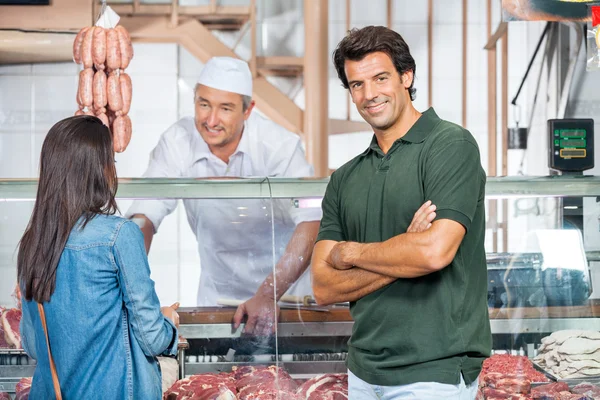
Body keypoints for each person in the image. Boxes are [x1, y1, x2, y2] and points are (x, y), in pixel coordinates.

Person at [311, 26, 492, 399]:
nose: (369, 94)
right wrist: (404, 249)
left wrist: (352, 253)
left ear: (406, 76)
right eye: (356, 84)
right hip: (363, 371)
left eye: (380, 78)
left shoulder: (450, 145)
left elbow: (433, 252)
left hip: (434, 372)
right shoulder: (345, 178)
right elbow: (323, 286)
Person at [126, 56, 321, 336]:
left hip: (285, 299)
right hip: (217, 301)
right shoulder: (177, 141)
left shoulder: (279, 146)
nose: (211, 120)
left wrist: (269, 293)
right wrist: (131, 292)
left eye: (225, 108)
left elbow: (312, 221)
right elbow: (144, 215)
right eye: (203, 104)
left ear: (248, 110)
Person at [18, 116, 179, 399]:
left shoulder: (33, 242)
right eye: (111, 162)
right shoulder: (119, 235)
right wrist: (169, 322)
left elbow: (33, 345)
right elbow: (152, 338)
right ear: (99, 170)